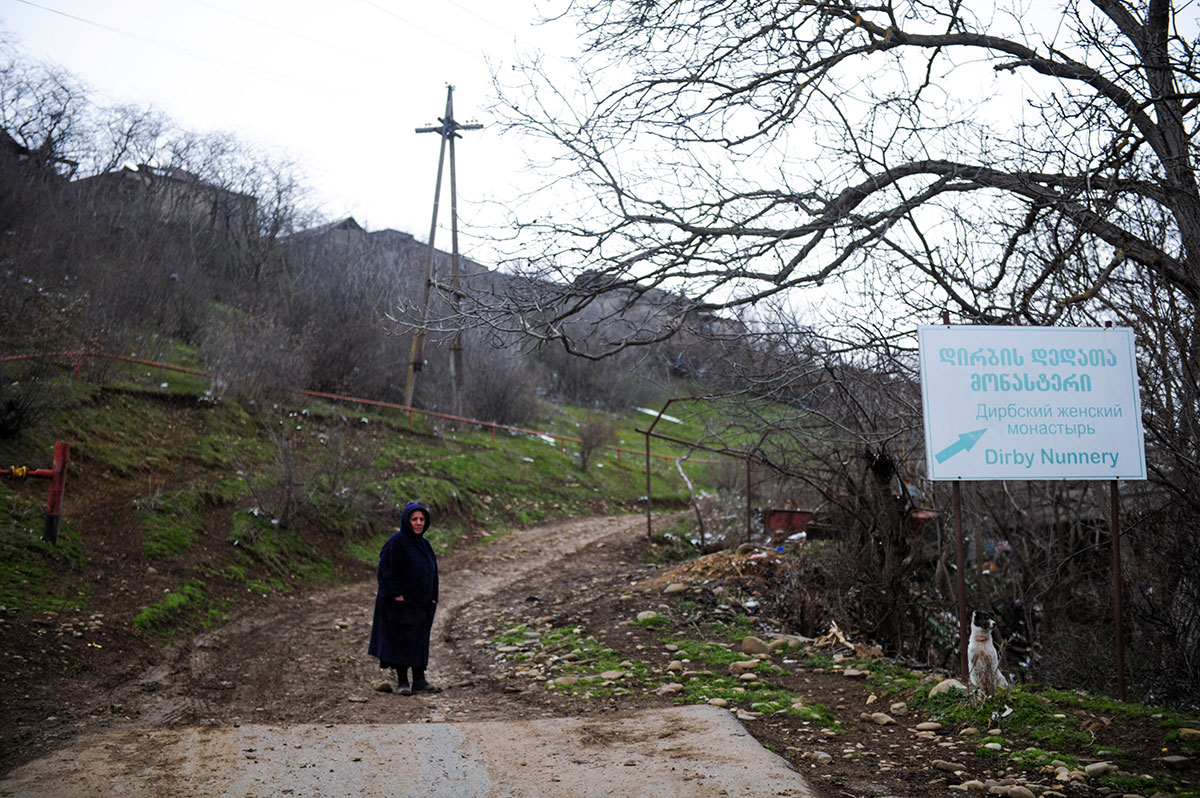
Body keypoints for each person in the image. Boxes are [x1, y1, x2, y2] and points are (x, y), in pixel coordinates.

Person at [367, 502, 442, 695]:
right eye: (414, 519)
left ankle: (419, 680)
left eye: (422, 519)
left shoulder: (424, 545)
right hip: (401, 604)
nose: (418, 523)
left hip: (421, 604)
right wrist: (396, 596)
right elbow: (386, 572)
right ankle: (402, 682)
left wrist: (433, 597)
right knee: (401, 640)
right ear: (406, 521)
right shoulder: (396, 543)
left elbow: (432, 573)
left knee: (419, 639)